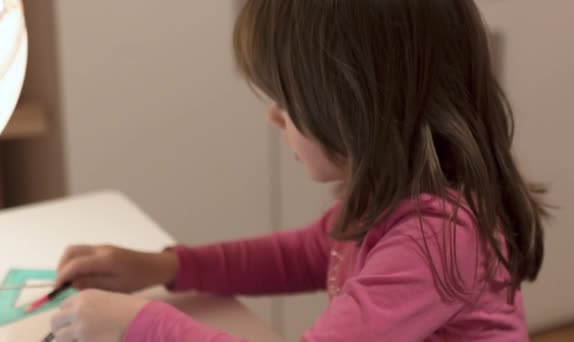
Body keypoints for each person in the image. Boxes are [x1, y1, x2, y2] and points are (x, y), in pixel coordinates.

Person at [50, 0, 547, 341]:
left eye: (286, 103)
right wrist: (167, 266)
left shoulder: (437, 237)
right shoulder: (392, 197)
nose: (273, 116)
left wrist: (140, 324)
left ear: (356, 110)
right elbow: (307, 253)